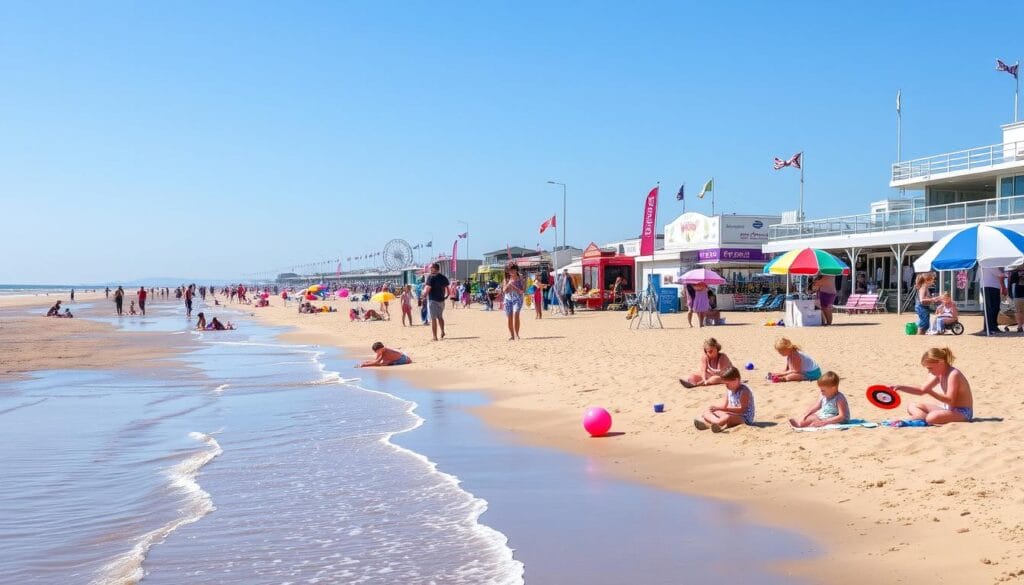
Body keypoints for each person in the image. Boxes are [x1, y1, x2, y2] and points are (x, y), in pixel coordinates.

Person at [893, 347, 973, 424]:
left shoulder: (954, 375)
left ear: (941, 362)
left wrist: (930, 392)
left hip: (963, 412)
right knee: (912, 406)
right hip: (948, 409)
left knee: (931, 418)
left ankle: (923, 418)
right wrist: (900, 387)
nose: (929, 371)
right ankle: (920, 416)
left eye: (930, 368)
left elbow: (950, 400)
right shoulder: (940, 373)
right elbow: (922, 390)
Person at [693, 367, 755, 432]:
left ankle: (711, 424)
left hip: (743, 418)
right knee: (711, 412)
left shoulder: (744, 391)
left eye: (727, 384)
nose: (726, 386)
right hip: (731, 413)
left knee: (728, 417)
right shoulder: (729, 390)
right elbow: (724, 406)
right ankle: (716, 424)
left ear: (736, 380)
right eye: (725, 384)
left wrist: (723, 409)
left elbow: (741, 409)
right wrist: (716, 408)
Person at [422, 263, 449, 341]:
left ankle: (435, 337)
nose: (430, 269)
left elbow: (427, 289)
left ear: (435, 268)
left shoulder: (431, 277)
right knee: (440, 317)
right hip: (441, 300)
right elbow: (447, 288)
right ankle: (442, 331)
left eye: (431, 268)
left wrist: (423, 297)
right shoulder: (443, 277)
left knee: (433, 318)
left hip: (433, 300)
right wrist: (446, 296)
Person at [979, 266, 1006, 335]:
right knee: (990, 308)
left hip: (993, 286)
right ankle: (990, 327)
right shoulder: (988, 262)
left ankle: (991, 326)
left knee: (994, 307)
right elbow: (998, 273)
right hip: (988, 286)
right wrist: (1005, 275)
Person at [503, 263, 525, 340]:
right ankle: (512, 335)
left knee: (516, 313)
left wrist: (513, 286)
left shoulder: (520, 278)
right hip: (508, 299)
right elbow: (505, 291)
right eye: (510, 270)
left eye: (513, 269)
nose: (512, 271)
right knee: (509, 317)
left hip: (518, 298)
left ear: (516, 270)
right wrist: (508, 285)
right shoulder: (506, 279)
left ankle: (516, 334)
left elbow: (522, 290)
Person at [1008, 267, 1024, 333]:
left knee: (1018, 311)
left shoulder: (1014, 272)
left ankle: (1020, 326)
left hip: (1017, 294)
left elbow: (1010, 283)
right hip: (1017, 294)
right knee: (1018, 311)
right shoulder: (1014, 272)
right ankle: (1020, 326)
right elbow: (1010, 283)